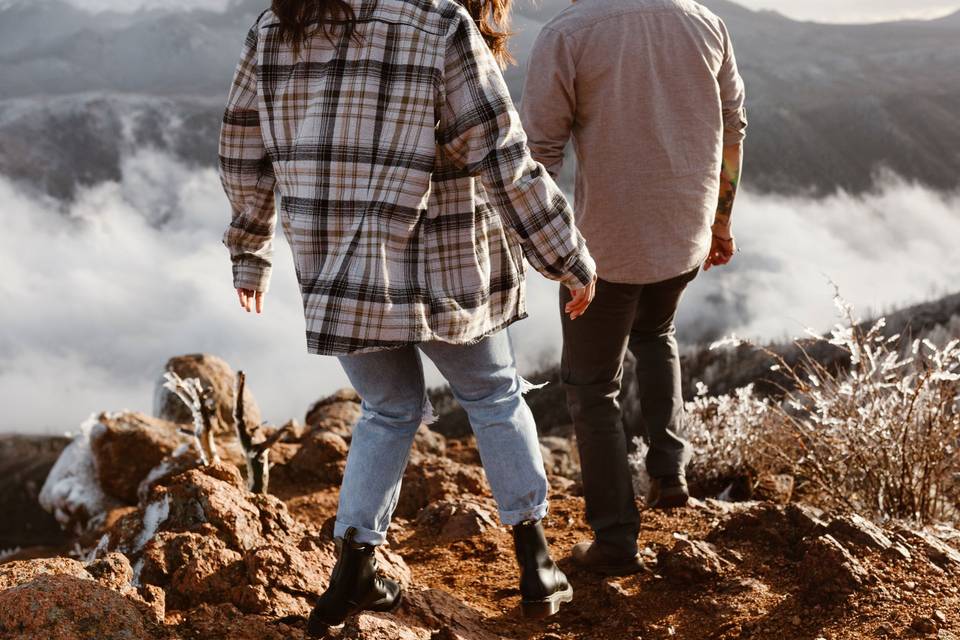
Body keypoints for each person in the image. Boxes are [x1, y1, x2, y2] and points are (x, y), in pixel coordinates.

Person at [219, 0, 597, 632]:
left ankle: (353, 572)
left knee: (387, 411)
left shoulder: (274, 27)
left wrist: (249, 249)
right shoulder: (438, 22)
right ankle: (536, 565)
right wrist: (565, 255)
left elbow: (241, 147)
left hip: (336, 267)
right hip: (441, 266)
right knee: (495, 396)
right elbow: (503, 153)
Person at [521, 0, 747, 576]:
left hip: (604, 252)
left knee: (591, 387)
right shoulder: (704, 20)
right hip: (685, 235)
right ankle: (670, 476)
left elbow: (539, 155)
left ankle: (616, 542)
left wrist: (548, 251)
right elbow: (733, 128)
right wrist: (720, 222)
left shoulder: (567, 33)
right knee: (656, 332)